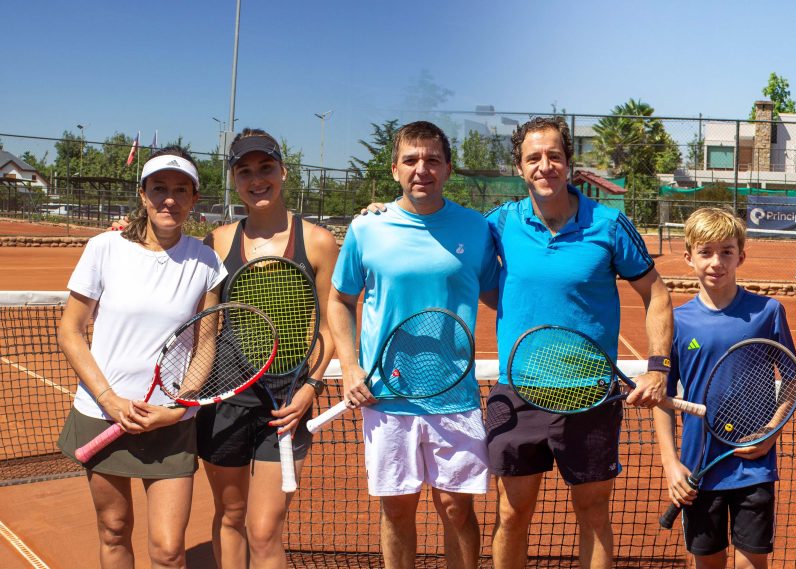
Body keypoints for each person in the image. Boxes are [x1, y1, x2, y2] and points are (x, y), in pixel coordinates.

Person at [485, 116, 674, 569]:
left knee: (592, 514)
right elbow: (442, 238)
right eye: (534, 157)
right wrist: (387, 210)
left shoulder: (609, 225)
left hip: (590, 394)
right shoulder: (499, 223)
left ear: (568, 163)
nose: (544, 165)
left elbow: (657, 294)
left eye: (554, 156)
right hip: (518, 392)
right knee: (511, 515)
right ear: (519, 167)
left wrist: (658, 367)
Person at [330, 120, 499, 568]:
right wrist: (349, 365)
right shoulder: (368, 228)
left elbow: (503, 296)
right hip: (385, 398)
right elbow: (340, 300)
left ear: (448, 169)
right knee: (397, 510)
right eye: (410, 160)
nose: (421, 169)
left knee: (456, 509)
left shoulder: (477, 228)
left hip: (456, 397)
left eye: (432, 160)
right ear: (394, 169)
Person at [57, 148, 226, 569]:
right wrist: (110, 400)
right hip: (102, 413)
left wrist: (178, 408)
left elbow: (206, 342)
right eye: (159, 188)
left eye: (180, 190)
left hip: (170, 422)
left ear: (193, 199)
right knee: (114, 530)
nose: (169, 199)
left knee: (169, 550)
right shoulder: (103, 248)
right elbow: (70, 330)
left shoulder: (205, 261)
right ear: (143, 194)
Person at [197, 128, 339, 569]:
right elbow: (206, 328)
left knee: (264, 529)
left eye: (266, 168)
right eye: (245, 171)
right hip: (226, 402)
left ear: (283, 172)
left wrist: (308, 390)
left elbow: (330, 328)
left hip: (286, 404)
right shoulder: (217, 241)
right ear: (234, 180)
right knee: (230, 516)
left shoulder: (317, 241)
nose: (257, 179)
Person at [652, 207, 795, 569]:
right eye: (705, 252)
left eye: (726, 252)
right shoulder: (677, 322)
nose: (716, 262)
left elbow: (792, 380)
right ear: (688, 257)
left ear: (741, 256)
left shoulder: (767, 312)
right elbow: (662, 399)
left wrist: (771, 432)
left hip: (754, 468)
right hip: (697, 470)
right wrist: (671, 464)